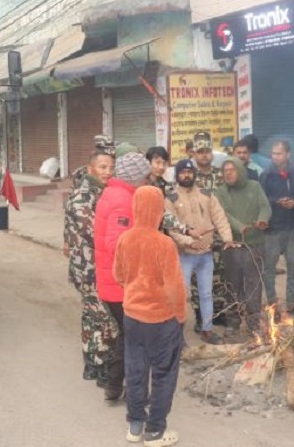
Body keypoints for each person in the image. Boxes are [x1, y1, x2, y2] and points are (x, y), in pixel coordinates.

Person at [114, 186, 186, 447]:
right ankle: (155, 431)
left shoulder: (125, 239)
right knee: (164, 373)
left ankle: (135, 426)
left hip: (132, 317)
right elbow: (175, 287)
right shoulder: (164, 243)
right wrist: (180, 315)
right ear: (159, 210)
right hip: (161, 320)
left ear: (135, 209)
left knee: (135, 369)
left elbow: (119, 276)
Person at [94, 152, 152, 402]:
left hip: (113, 281)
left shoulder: (113, 192)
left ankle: (113, 385)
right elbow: (116, 243)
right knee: (136, 339)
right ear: (136, 177)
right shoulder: (124, 200)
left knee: (128, 335)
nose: (147, 180)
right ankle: (134, 392)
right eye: (145, 176)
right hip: (122, 283)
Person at [165, 159, 235, 345]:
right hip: (184, 256)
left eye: (189, 172)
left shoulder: (206, 195)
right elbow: (171, 230)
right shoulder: (171, 199)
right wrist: (188, 242)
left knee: (206, 294)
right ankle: (176, 335)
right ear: (177, 175)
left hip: (205, 254)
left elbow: (220, 217)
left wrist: (227, 239)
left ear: (194, 174)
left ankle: (207, 329)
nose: (186, 175)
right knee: (181, 295)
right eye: (183, 172)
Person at [63, 151, 117, 386]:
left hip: (94, 267)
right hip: (89, 270)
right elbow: (95, 233)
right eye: (103, 167)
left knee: (91, 317)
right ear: (90, 168)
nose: (108, 172)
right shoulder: (83, 196)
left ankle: (91, 364)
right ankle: (103, 365)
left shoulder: (100, 192)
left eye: (110, 167)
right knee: (105, 318)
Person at [214, 158, 271, 339]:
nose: (228, 173)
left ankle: (254, 322)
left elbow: (265, 207)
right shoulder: (221, 191)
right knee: (233, 284)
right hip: (233, 245)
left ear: (240, 170)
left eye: (232, 169)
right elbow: (224, 214)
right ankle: (233, 322)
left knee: (254, 284)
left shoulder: (254, 186)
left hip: (255, 244)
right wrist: (240, 227)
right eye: (225, 170)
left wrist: (263, 220)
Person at [259, 140, 294, 314]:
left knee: (293, 267)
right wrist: (276, 202)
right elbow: (262, 198)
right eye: (273, 153)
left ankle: (292, 302)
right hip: (272, 228)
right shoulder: (266, 174)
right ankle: (272, 302)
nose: (275, 156)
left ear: (288, 154)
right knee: (269, 268)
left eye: (279, 153)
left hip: (292, 228)